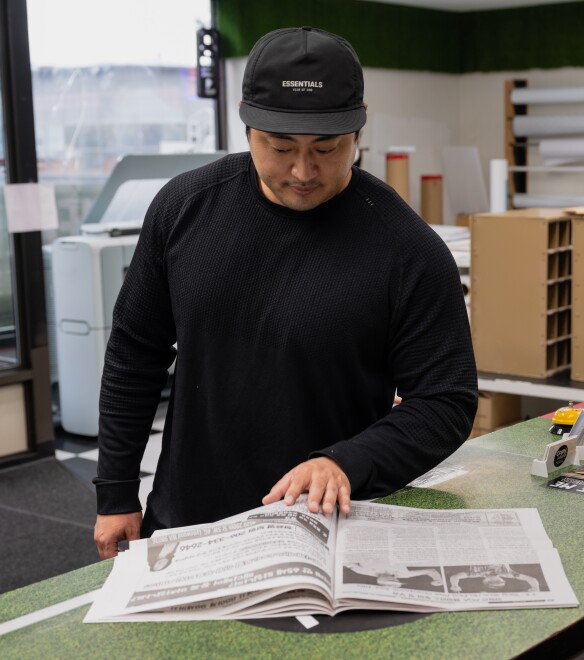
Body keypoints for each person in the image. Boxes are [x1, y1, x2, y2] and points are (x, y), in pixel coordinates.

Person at [93, 26, 478, 559]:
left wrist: (346, 460)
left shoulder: (407, 248)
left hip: (327, 533)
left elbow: (446, 400)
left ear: (359, 130)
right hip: (188, 523)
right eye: (280, 148)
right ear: (247, 126)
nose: (302, 171)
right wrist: (115, 491)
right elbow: (135, 351)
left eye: (327, 148)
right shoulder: (184, 208)